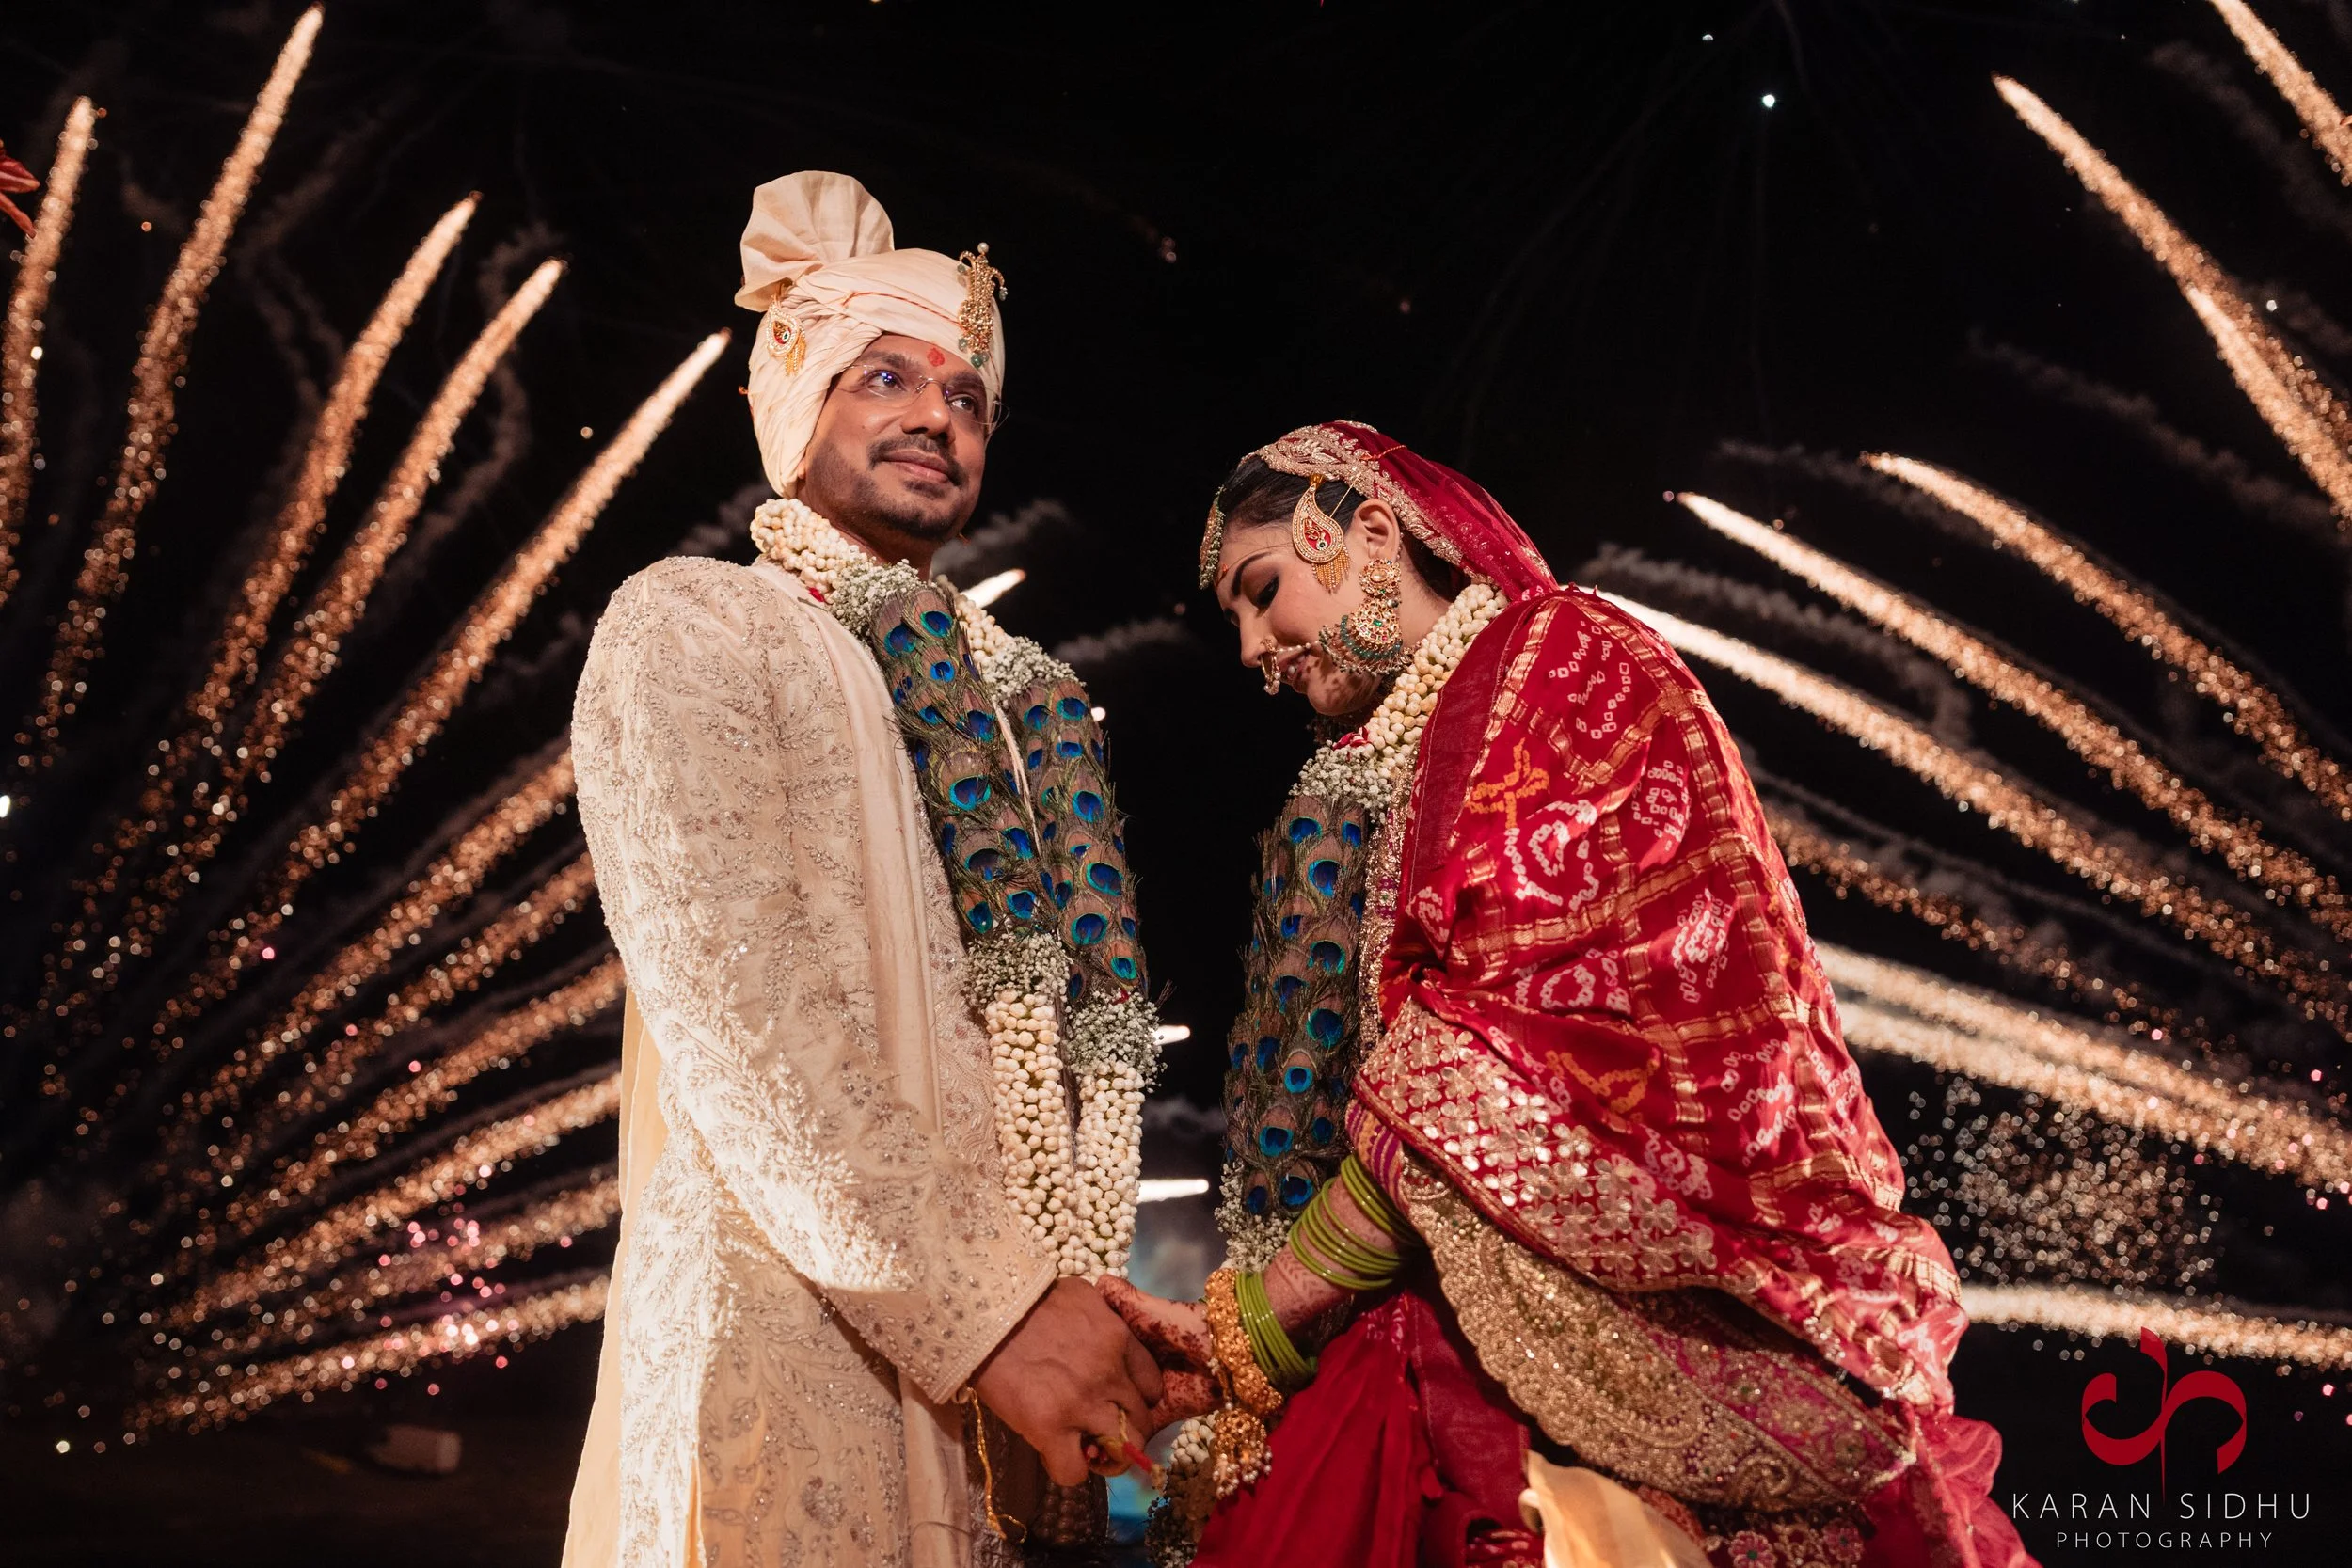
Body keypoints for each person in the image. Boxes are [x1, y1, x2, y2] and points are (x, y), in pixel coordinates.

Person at [1104, 422, 2032, 1568]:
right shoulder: (1435, 735)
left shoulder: (1559, 664)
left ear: (1371, 533)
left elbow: (1479, 1066)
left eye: (1262, 590)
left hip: (1630, 1330)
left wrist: (1256, 1315)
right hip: (1479, 1300)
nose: (1250, 647)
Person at [563, 171, 1166, 1568]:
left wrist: (1070, 1303)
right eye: (880, 374)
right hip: (796, 1345)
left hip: (1016, 1391)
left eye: (965, 396)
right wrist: (994, 1309)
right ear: (795, 409)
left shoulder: (1018, 710)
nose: (931, 416)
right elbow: (743, 1007)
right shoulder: (694, 621)